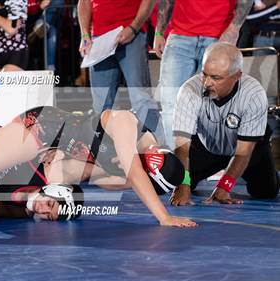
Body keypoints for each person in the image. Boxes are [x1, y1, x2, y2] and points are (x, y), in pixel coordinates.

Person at [0, 105, 197, 228]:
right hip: (46, 126)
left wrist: (182, 183)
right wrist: (163, 217)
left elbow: (115, 179)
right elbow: (136, 174)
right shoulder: (129, 125)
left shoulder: (123, 169)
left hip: (45, 149)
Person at [170, 42, 279, 206]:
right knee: (177, 181)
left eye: (216, 78)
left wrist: (224, 185)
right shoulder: (189, 90)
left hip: (245, 150)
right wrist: (183, 183)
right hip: (207, 147)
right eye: (205, 74)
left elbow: (243, 152)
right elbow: (182, 147)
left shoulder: (254, 94)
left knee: (266, 192)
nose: (207, 83)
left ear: (237, 76)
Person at [153, 0, 254, 147]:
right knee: (170, 103)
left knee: (214, 105)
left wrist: (234, 28)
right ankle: (177, 162)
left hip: (218, 36)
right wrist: (159, 31)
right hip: (180, 36)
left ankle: (209, 161)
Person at [77, 0, 165, 143]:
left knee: (141, 99)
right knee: (102, 106)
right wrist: (85, 35)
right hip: (100, 39)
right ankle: (111, 154)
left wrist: (133, 28)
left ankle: (162, 149)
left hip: (131, 34)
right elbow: (84, 2)